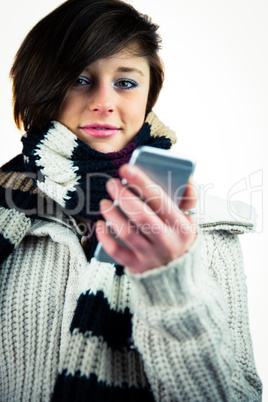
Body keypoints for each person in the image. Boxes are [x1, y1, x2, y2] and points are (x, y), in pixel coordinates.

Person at [0, 0, 262, 400]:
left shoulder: (204, 224)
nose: (104, 102)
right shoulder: (7, 213)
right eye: (80, 79)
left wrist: (174, 286)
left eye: (125, 82)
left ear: (148, 95)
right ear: (43, 88)